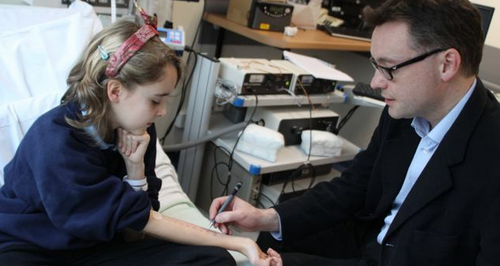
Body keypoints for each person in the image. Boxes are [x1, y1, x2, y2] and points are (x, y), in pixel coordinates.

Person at [210, 0, 500, 265]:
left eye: (389, 68)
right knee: (273, 234)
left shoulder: (490, 156)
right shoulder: (406, 110)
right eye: (375, 65)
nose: (375, 82)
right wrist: (265, 218)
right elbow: (355, 186)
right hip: (370, 238)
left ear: (446, 64)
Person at [0, 2, 281, 266]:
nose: (161, 112)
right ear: (115, 91)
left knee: (214, 260)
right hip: (35, 245)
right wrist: (241, 243)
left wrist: (136, 170)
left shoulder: (138, 132)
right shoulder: (55, 142)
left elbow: (135, 231)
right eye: (155, 101)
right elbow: (145, 220)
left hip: (97, 245)